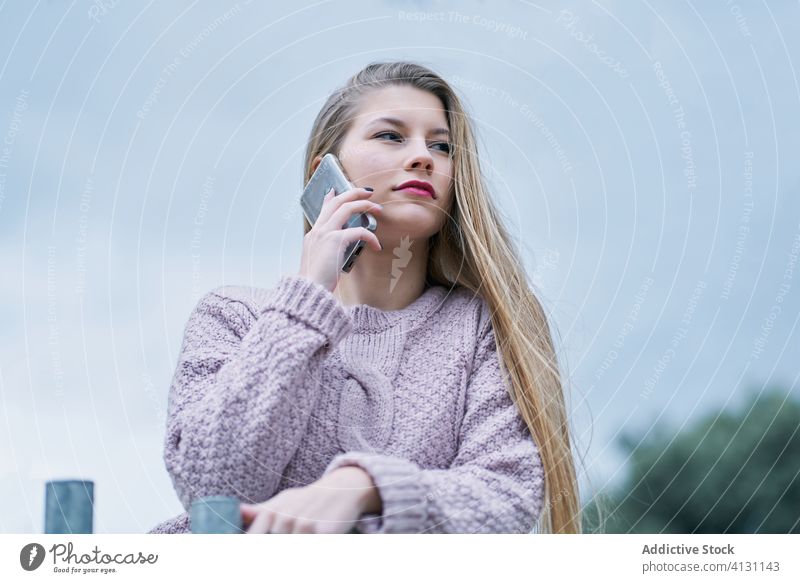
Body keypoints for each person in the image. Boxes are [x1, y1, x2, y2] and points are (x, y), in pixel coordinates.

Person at [148, 61, 581, 534]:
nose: (423, 157)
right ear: (325, 173)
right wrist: (307, 299)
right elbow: (213, 489)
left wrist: (360, 486)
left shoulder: (481, 328)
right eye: (391, 136)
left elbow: (505, 501)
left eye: (441, 145)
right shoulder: (234, 317)